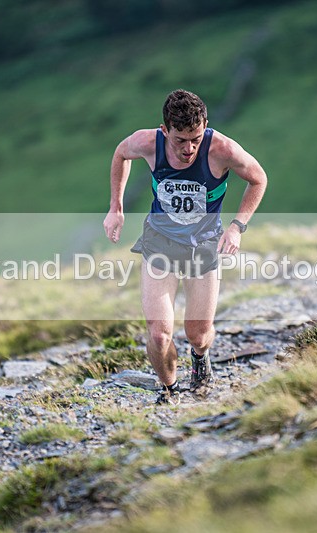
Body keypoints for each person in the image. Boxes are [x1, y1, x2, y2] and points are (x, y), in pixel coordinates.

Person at [103, 89, 267, 405]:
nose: (189, 148)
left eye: (195, 138)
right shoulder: (148, 143)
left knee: (199, 334)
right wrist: (116, 207)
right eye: (180, 140)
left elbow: (258, 178)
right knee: (159, 334)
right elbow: (120, 154)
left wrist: (237, 227)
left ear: (204, 126)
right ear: (165, 131)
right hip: (160, 243)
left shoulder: (223, 149)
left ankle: (200, 356)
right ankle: (170, 391)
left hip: (204, 247)